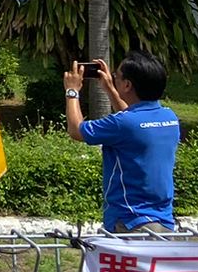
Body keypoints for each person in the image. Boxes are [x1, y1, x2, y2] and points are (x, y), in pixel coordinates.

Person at [65, 52, 180, 233]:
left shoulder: (122, 124)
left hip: (130, 222)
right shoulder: (169, 118)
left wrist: (72, 91)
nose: (113, 78)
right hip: (164, 221)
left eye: (116, 76)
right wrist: (110, 88)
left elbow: (76, 130)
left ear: (127, 85)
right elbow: (132, 120)